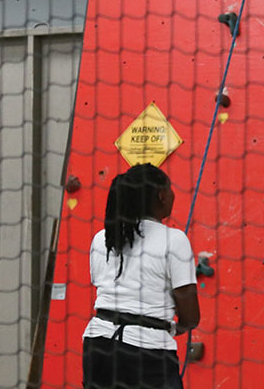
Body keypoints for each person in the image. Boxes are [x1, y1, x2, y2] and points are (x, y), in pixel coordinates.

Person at [82, 163, 200, 389]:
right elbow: (191, 315)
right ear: (161, 195)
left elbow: (103, 288)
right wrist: (178, 328)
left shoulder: (102, 239)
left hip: (98, 347)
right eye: (170, 189)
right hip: (148, 354)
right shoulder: (174, 240)